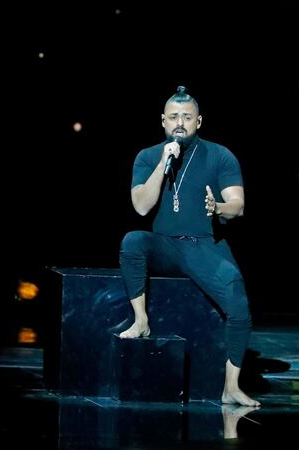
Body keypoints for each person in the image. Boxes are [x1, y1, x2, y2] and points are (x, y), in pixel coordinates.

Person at [118, 85, 260, 407]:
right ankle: (141, 321)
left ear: (199, 121)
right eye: (173, 117)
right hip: (165, 246)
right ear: (163, 121)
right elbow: (141, 206)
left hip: (204, 246)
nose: (180, 122)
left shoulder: (220, 155)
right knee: (133, 241)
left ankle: (231, 387)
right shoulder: (148, 156)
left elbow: (237, 205)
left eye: (187, 117)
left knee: (239, 307)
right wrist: (164, 161)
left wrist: (218, 207)